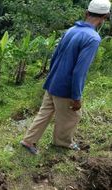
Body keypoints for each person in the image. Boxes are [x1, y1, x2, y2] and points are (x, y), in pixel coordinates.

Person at [20, 0, 111, 154]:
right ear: (104, 17)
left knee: (45, 113)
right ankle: (62, 142)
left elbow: (55, 57)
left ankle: (28, 141)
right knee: (72, 116)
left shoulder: (71, 30)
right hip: (66, 88)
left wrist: (51, 78)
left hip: (53, 82)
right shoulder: (93, 38)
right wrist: (76, 97)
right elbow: (79, 72)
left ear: (86, 13)